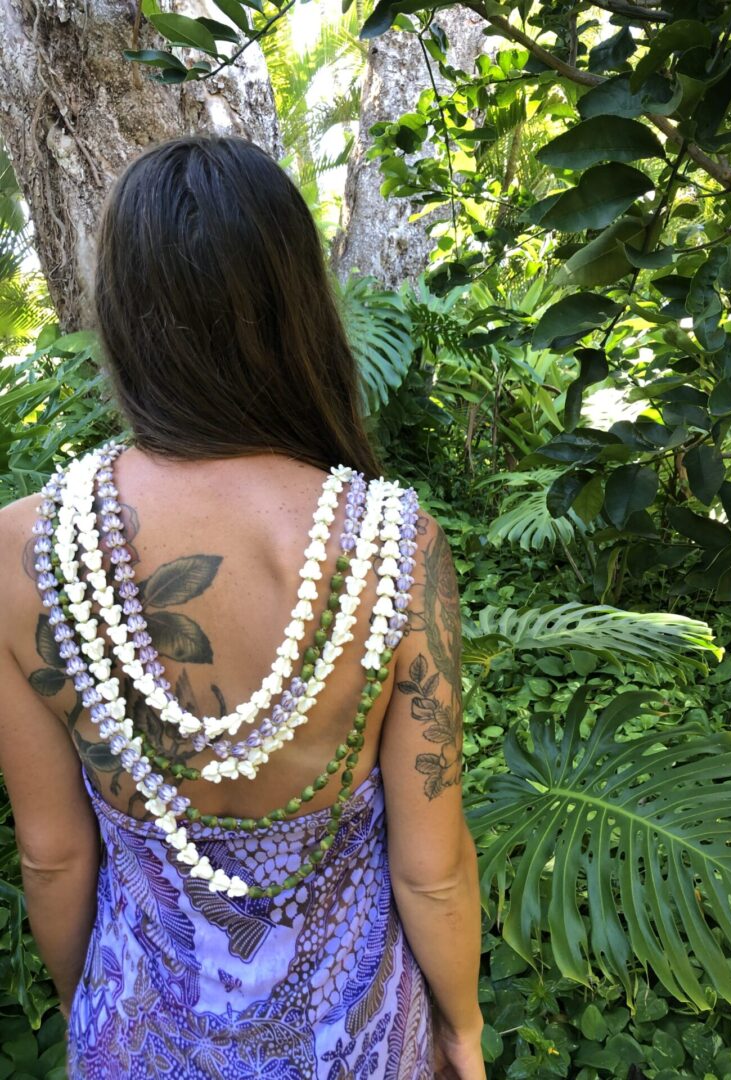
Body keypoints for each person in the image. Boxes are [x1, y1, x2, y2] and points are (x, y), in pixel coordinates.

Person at [0, 135, 484, 1079]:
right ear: (297, 307)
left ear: (124, 316)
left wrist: (84, 1008)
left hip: (140, 1030)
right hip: (358, 1043)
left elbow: (53, 855)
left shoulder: (21, 551)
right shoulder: (389, 543)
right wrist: (461, 1030)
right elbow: (432, 866)